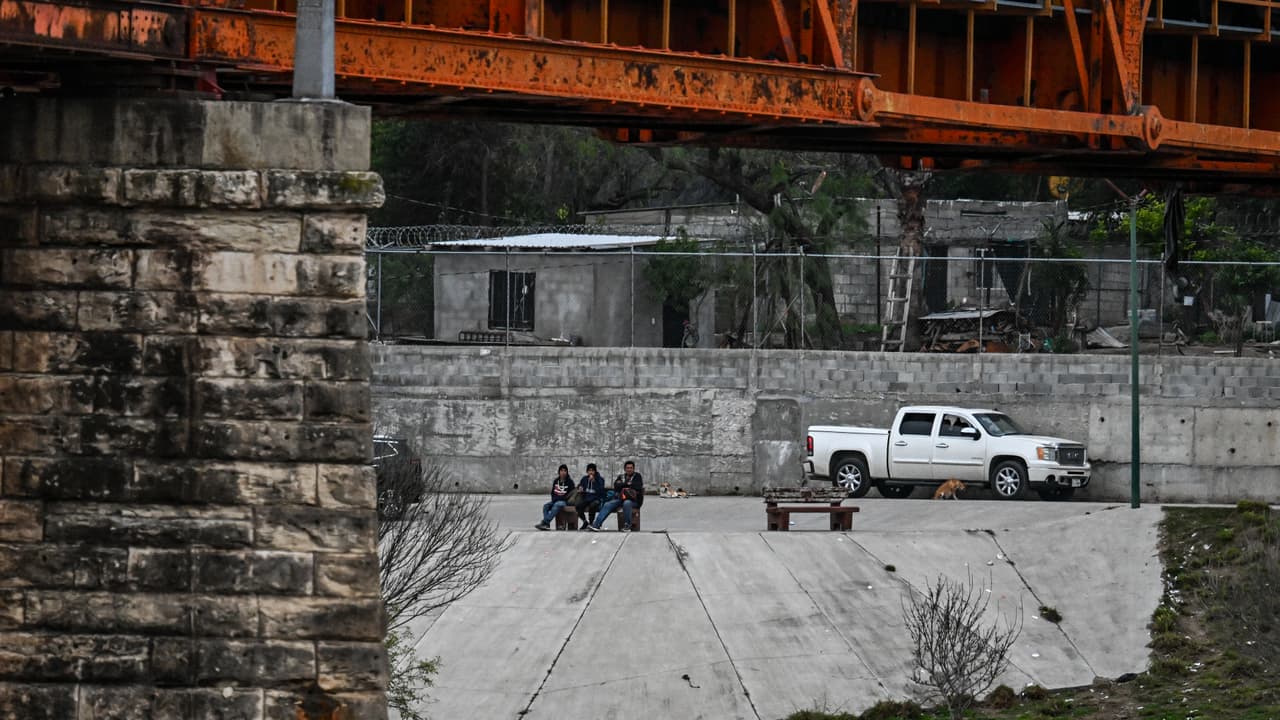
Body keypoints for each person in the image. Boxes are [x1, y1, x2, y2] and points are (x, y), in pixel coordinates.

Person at [588, 460, 644, 532]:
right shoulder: (621, 476)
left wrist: (623, 484)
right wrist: (627, 484)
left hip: (634, 501)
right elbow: (616, 486)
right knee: (608, 504)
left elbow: (637, 486)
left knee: (627, 503)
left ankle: (627, 526)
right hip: (621, 499)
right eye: (627, 468)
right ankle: (596, 525)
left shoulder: (637, 476)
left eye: (631, 468)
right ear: (625, 469)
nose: (629, 469)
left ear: (633, 469)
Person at [535, 465, 575, 531]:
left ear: (567, 472)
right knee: (546, 506)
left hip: (564, 502)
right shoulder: (556, 481)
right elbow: (553, 493)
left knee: (558, 504)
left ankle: (545, 522)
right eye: (561, 470)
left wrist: (560, 499)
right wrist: (554, 499)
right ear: (559, 472)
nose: (563, 472)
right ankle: (546, 525)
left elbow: (570, 495)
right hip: (555, 500)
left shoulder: (570, 482)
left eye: (565, 471)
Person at [575, 463, 606, 530]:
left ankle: (591, 523)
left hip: (596, 498)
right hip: (587, 498)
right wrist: (580, 488)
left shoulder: (600, 479)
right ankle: (585, 521)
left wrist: (594, 481)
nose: (591, 472)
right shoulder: (584, 479)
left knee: (593, 505)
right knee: (578, 506)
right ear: (587, 471)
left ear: (595, 471)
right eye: (589, 470)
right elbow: (580, 485)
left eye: (592, 470)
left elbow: (601, 491)